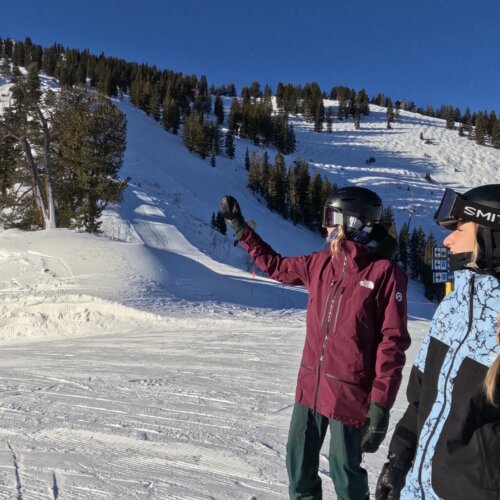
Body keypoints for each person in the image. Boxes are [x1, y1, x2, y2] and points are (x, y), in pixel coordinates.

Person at [221, 187, 411, 499]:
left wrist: (380, 405)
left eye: (330, 218)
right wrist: (242, 230)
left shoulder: (384, 274)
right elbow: (276, 266)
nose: (324, 225)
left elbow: (392, 343)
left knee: (345, 470)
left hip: (349, 390)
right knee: (298, 464)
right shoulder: (320, 263)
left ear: (351, 223)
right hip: (310, 385)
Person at [375, 184, 500, 500]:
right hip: (417, 490)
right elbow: (420, 398)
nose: (448, 238)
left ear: (491, 233)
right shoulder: (451, 309)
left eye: (459, 227)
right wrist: (398, 462)